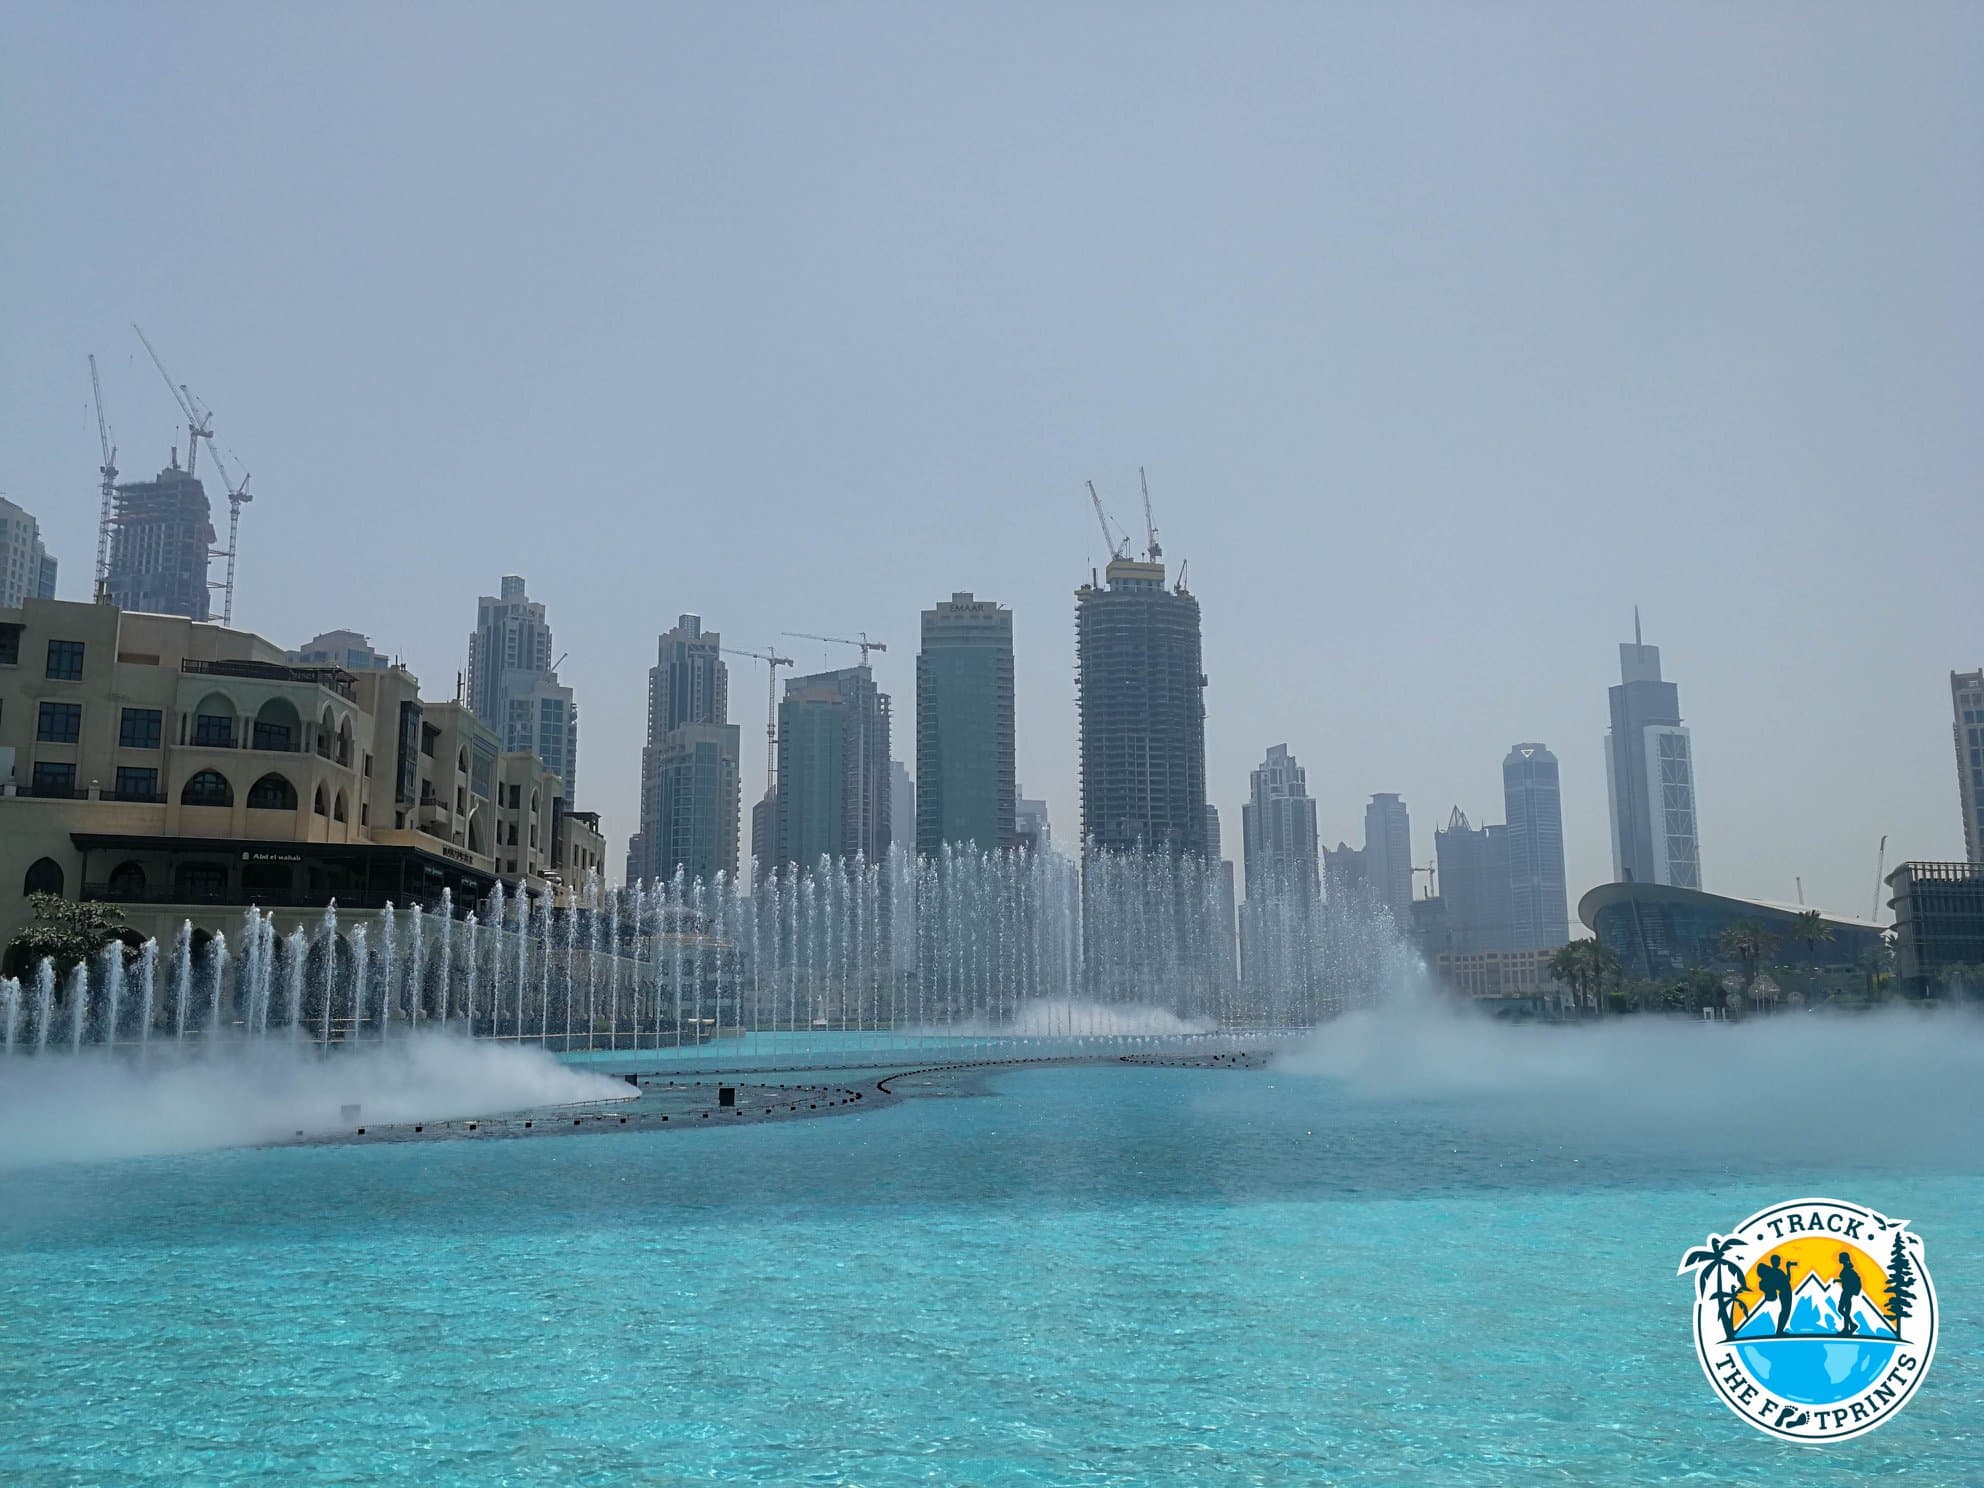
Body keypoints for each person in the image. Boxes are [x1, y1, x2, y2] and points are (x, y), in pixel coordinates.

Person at [1755, 1255, 1796, 1335]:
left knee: (1785, 1312)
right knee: (1785, 1312)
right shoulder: (1775, 1272)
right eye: (1778, 1261)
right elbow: (1786, 1280)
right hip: (1785, 1292)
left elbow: (1786, 1280)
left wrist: (1788, 1267)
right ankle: (1779, 1331)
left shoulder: (1776, 1271)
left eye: (1779, 1261)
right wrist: (1788, 1268)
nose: (1779, 1262)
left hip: (1785, 1292)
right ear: (1774, 1262)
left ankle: (1779, 1330)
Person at [1836, 1251, 1864, 1336]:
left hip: (1847, 1292)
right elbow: (1846, 1280)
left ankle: (1850, 1326)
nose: (1839, 1259)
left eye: (1840, 1258)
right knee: (1845, 1310)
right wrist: (1838, 1280)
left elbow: (1848, 1280)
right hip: (1847, 1292)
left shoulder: (1847, 1269)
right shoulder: (1847, 1268)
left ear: (1844, 1259)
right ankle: (1849, 1327)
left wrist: (1841, 1281)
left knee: (1841, 1309)